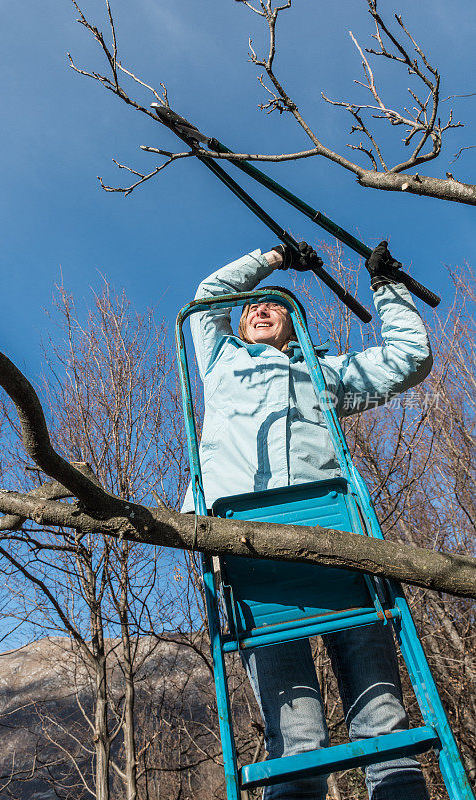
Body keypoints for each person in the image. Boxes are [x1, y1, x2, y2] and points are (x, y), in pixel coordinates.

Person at [182, 241, 433, 800]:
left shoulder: (326, 375)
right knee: (296, 740)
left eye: (271, 305)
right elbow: (209, 298)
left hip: (340, 544)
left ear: (294, 324)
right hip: (251, 553)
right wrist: (271, 258)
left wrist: (388, 288)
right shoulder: (221, 364)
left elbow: (407, 360)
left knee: (384, 723)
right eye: (250, 308)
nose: (259, 309)